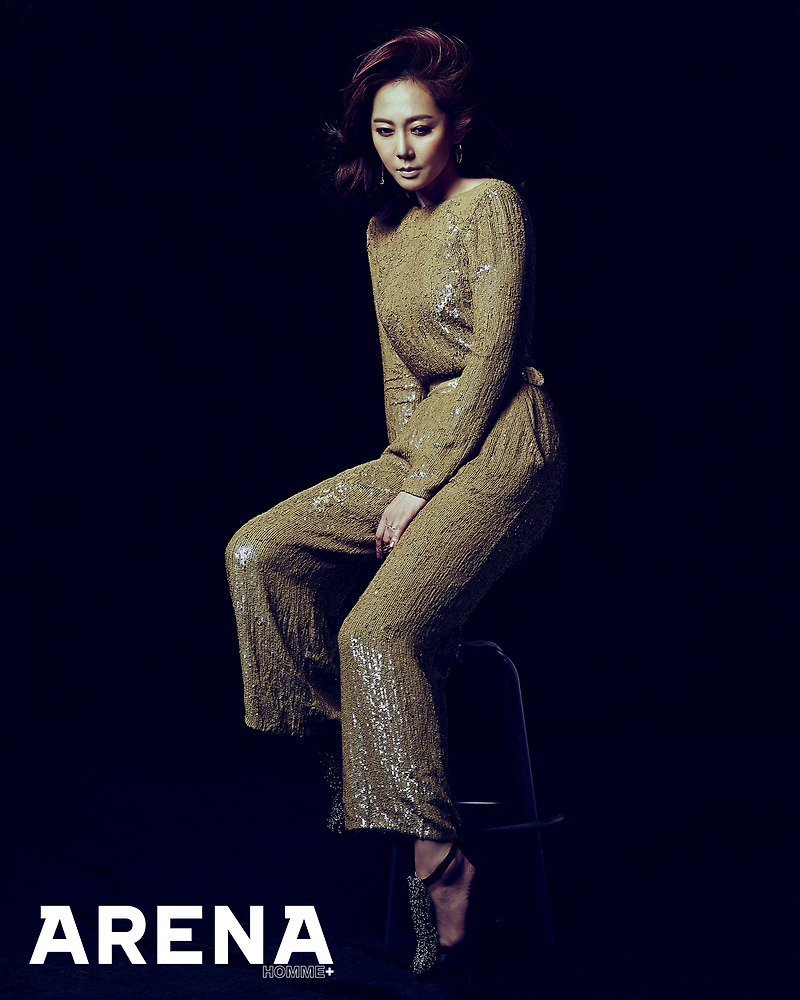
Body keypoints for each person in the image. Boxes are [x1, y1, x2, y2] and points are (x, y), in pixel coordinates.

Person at [225, 26, 566, 976]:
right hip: (420, 448)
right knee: (258, 553)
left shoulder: (491, 204)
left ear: (457, 127)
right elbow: (401, 378)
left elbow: (492, 361)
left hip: (510, 447)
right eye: (385, 131)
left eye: (421, 127)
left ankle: (440, 861)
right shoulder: (383, 233)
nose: (403, 148)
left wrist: (420, 488)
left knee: (376, 635)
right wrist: (401, 470)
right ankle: (363, 755)